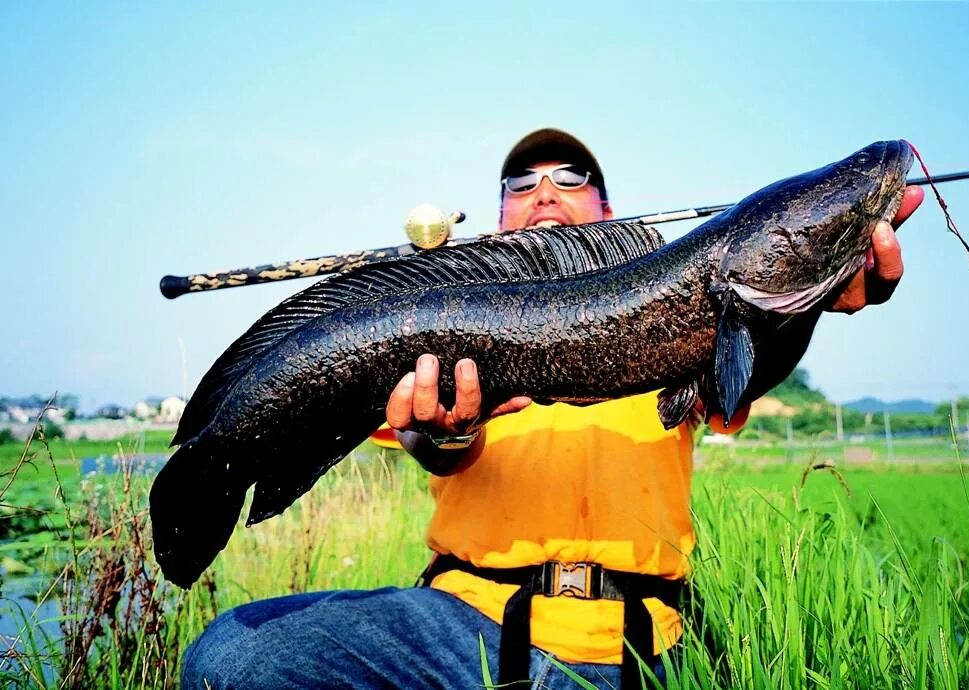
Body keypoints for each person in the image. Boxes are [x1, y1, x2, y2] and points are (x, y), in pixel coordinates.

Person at [181, 128, 923, 690]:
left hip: (637, 641)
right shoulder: (451, 310)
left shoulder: (704, 318)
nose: (546, 191)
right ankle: (219, 459)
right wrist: (448, 433)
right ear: (499, 223)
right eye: (521, 182)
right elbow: (426, 442)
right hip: (459, 627)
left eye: (573, 177)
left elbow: (744, 375)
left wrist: (815, 303)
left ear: (608, 209)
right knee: (228, 657)